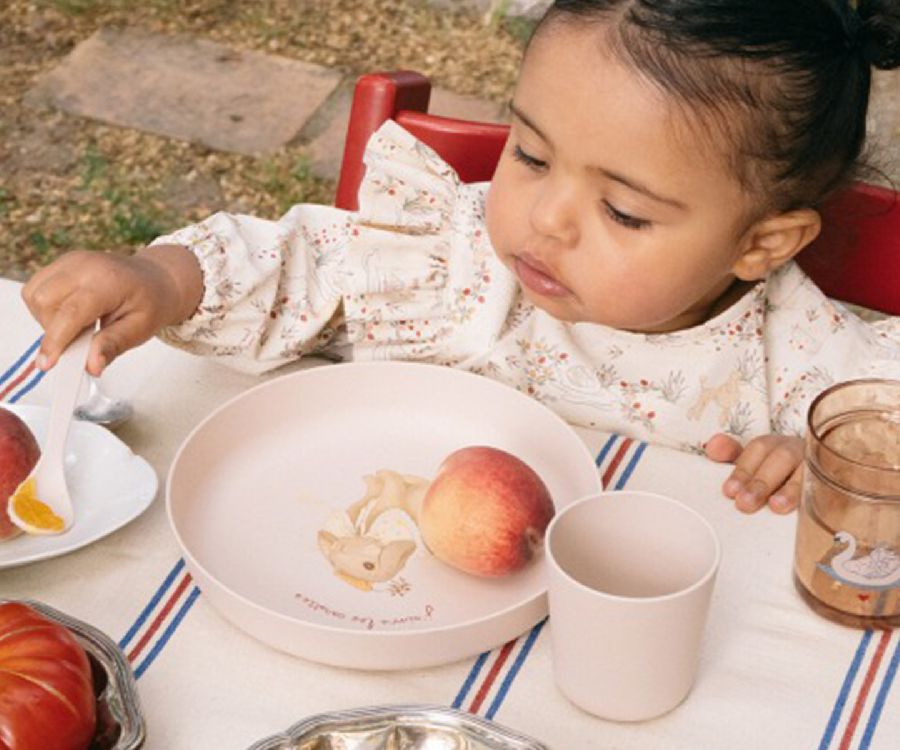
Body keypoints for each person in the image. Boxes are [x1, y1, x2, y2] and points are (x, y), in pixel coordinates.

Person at [21, 0, 900, 515]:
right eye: (530, 154)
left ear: (760, 244)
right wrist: (161, 280)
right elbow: (299, 264)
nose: (545, 220)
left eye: (624, 211)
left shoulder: (807, 365)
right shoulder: (453, 256)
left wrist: (830, 463)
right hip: (363, 570)